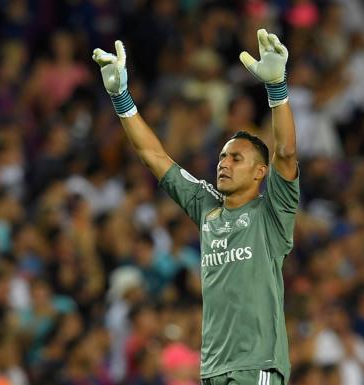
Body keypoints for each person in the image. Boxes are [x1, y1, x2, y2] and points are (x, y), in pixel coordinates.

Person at [92, 29, 299, 385]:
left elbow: (286, 153)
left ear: (259, 173)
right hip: (212, 369)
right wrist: (121, 98)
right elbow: (152, 156)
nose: (224, 163)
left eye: (237, 158)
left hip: (256, 365)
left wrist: (277, 89)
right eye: (222, 156)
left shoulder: (273, 214)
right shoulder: (206, 207)